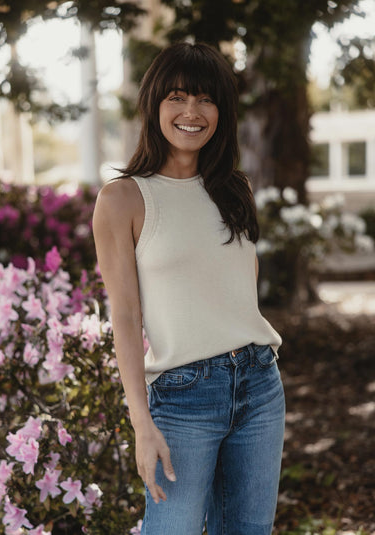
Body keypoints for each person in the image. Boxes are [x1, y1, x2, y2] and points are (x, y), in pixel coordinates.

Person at [92, 42, 285, 535]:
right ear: (154, 104)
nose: (192, 113)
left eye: (207, 99)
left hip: (259, 384)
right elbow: (126, 318)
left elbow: (242, 287)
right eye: (177, 97)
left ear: (222, 110)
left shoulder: (232, 188)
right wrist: (142, 424)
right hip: (183, 397)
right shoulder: (123, 199)